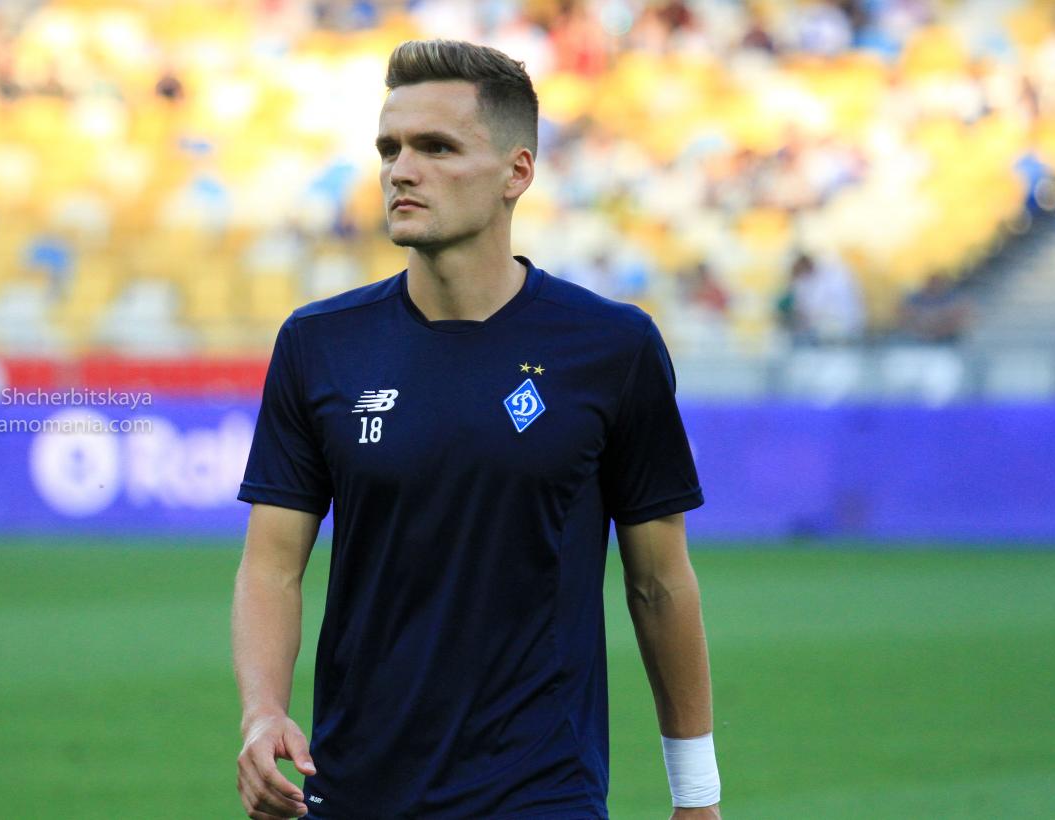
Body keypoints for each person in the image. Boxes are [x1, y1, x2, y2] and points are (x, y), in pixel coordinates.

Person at [232, 38, 720, 820]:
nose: (401, 169)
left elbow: (659, 582)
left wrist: (696, 794)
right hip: (352, 787)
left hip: (542, 790)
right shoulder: (318, 343)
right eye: (390, 148)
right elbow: (271, 566)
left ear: (516, 173)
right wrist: (262, 711)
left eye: (436, 147)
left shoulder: (612, 348)